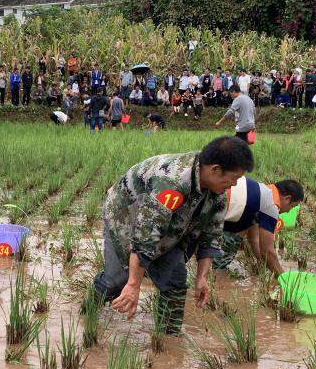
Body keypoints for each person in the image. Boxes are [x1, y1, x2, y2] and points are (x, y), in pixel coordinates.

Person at [93, 136, 254, 334]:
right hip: (127, 216)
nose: (234, 185)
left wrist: (202, 277)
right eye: (234, 179)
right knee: (117, 281)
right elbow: (146, 236)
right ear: (215, 169)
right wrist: (133, 285)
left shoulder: (217, 190)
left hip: (170, 222)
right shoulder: (172, 181)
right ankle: (89, 313)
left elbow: (212, 234)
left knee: (175, 279)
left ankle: (168, 338)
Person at [214, 178, 304, 274]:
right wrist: (282, 277)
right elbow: (268, 251)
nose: (289, 211)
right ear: (287, 199)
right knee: (221, 261)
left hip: (214, 199)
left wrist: (263, 266)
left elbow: (254, 239)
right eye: (292, 206)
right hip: (211, 204)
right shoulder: (272, 204)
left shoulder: (262, 193)